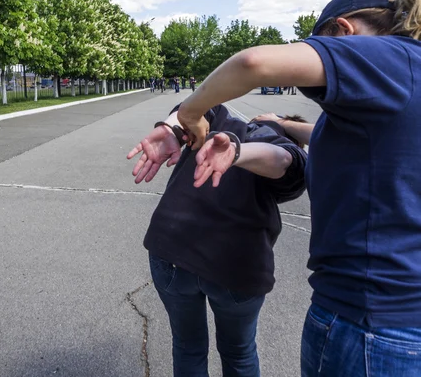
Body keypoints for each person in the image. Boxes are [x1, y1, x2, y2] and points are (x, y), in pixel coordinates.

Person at [175, 0, 421, 376]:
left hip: (368, 325)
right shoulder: (402, 82)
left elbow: (254, 63)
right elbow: (352, 140)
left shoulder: (388, 58)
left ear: (341, 31)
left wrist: (190, 113)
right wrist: (285, 125)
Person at [127, 104, 308, 377]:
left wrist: (171, 128)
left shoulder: (219, 118)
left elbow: (194, 107)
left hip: (172, 251)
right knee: (239, 352)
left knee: (188, 346)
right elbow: (286, 160)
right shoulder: (279, 143)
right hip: (237, 268)